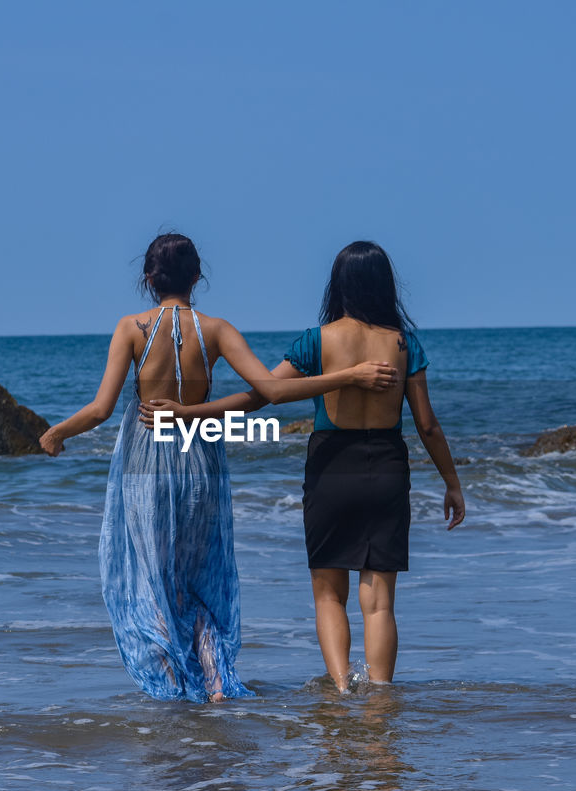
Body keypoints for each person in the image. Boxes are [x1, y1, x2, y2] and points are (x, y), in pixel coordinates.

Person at [39, 234, 398, 703]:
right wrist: (350, 376)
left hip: (146, 455)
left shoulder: (131, 328)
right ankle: (215, 684)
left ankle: (169, 688)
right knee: (202, 574)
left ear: (148, 277)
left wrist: (57, 433)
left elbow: (102, 409)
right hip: (201, 454)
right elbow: (270, 391)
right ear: (197, 275)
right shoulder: (216, 330)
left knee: (152, 577)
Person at [141, 240, 465, 691]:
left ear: (339, 285)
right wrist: (452, 482)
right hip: (387, 466)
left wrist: (186, 413)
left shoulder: (317, 341)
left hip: (332, 466)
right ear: (385, 285)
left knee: (329, 592)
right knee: (381, 603)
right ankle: (381, 697)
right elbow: (427, 425)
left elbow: (260, 396)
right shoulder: (404, 344)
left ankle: (342, 688)